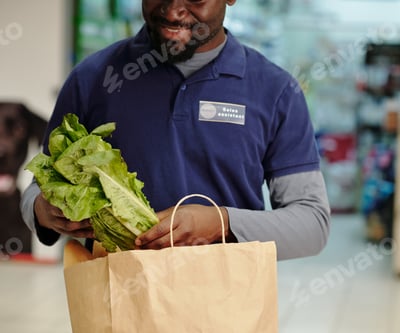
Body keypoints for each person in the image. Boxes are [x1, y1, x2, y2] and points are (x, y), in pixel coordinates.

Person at [21, 0, 330, 261]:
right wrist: (43, 211)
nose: (172, 13)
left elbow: (312, 223)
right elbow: (39, 187)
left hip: (228, 304)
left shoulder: (277, 91)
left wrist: (221, 222)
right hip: (117, 303)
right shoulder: (92, 78)